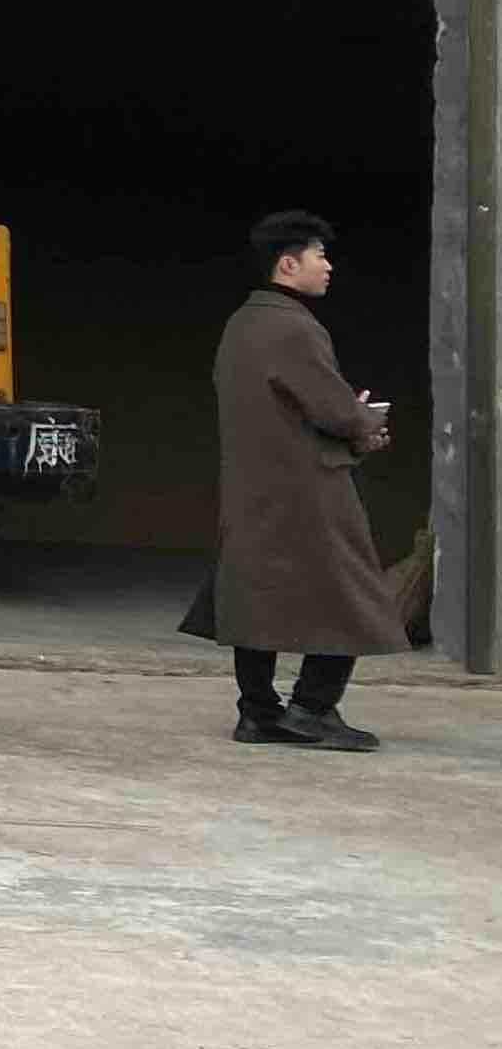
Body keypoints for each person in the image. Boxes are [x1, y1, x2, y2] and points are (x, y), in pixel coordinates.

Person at [182, 211, 407, 750]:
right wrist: (366, 422)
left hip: (254, 487)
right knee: (350, 594)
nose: (328, 267)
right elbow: (335, 410)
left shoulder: (242, 323)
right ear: (288, 264)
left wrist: (349, 421)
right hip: (309, 488)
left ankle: (258, 712)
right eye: (319, 255)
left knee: (255, 595)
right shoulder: (296, 327)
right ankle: (312, 708)